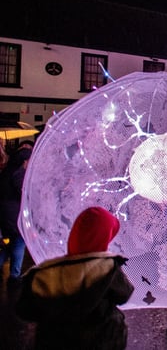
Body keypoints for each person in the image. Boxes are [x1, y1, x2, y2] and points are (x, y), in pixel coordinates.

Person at [17, 206, 134, 350]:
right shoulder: (107, 268)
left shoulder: (43, 275)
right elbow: (124, 294)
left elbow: (24, 310)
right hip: (101, 341)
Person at [0, 147, 31, 284]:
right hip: (13, 214)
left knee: (10, 245)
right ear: (25, 161)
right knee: (19, 241)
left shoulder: (7, 171)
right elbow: (23, 193)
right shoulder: (19, 173)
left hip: (6, 213)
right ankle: (14, 276)